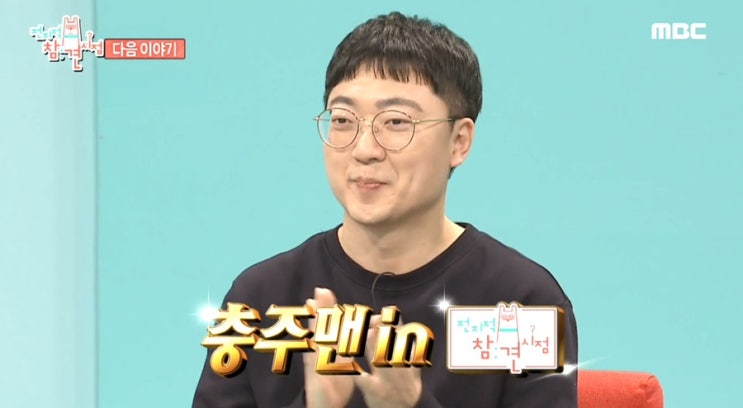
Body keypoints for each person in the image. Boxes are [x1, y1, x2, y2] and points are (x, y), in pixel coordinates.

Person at [193, 11, 578, 408]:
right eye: (343, 119)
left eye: (396, 122)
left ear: (459, 141)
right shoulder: (261, 299)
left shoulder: (520, 303)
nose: (364, 149)